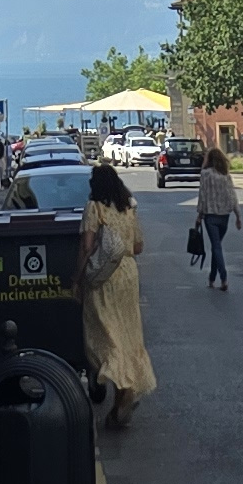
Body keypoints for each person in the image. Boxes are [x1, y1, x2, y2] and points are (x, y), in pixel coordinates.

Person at [79, 162, 157, 433]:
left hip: (104, 277)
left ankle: (123, 390)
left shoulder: (94, 208)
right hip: (127, 274)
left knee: (103, 334)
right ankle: (122, 399)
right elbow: (138, 246)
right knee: (128, 333)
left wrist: (76, 277)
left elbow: (87, 247)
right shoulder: (128, 208)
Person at [197, 146, 241, 292]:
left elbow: (202, 196)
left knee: (216, 246)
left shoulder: (205, 174)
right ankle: (212, 278)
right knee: (217, 246)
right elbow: (232, 196)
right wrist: (238, 216)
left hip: (210, 215)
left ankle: (223, 278)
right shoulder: (225, 176)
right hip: (225, 216)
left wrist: (199, 215)